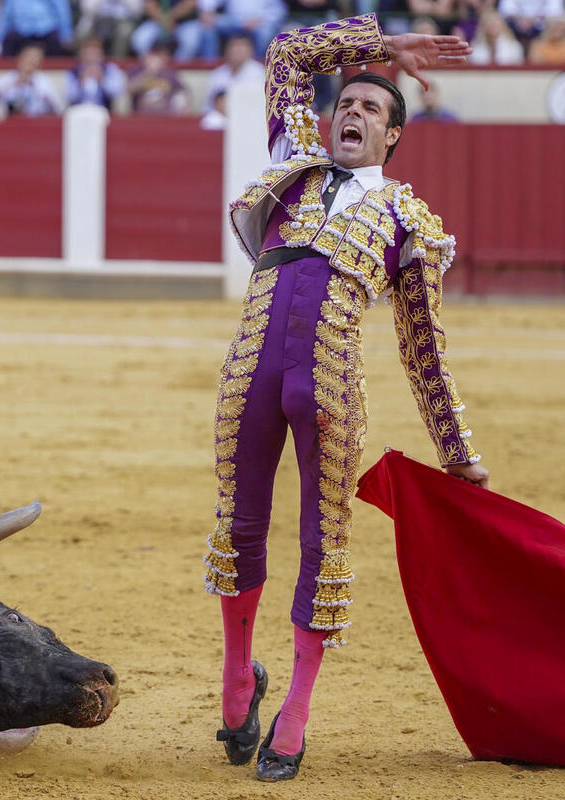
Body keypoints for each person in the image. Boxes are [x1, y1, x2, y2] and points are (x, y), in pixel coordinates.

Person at [203, 13, 485, 782]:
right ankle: (237, 678)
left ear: (392, 136)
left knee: (322, 545)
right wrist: (381, 49)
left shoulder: (406, 218)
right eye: (346, 105)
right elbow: (288, 52)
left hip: (328, 388)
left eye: (371, 109)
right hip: (250, 374)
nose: (352, 114)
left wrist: (457, 452)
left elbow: (422, 347)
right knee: (238, 524)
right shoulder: (292, 159)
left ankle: (295, 710)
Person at [0, 43, 64, 117]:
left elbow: (59, 108)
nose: (31, 60)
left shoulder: (43, 81)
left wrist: (36, 88)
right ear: (20, 58)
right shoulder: (9, 79)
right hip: (10, 122)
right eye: (29, 56)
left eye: (36, 57)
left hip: (37, 123)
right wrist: (11, 85)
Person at [204, 31, 264, 111]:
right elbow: (208, 105)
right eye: (234, 46)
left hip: (249, 117)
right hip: (220, 119)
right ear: (226, 50)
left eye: (242, 46)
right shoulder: (217, 74)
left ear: (250, 50)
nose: (238, 50)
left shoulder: (260, 73)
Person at [128, 37, 190, 114]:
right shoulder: (136, 71)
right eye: (153, 56)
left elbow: (182, 92)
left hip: (165, 117)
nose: (155, 60)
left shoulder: (170, 74)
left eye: (159, 57)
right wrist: (147, 73)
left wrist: (182, 104)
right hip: (141, 117)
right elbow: (129, 90)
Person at [0, 0, 75, 57]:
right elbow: (5, 14)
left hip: (46, 29)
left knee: (57, 43)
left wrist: (66, 35)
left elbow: (62, 11)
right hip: (21, 30)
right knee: (9, 41)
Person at [63, 35, 127, 109]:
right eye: (88, 54)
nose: (91, 58)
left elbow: (116, 92)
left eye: (95, 54)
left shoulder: (110, 69)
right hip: (79, 110)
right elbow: (69, 97)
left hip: (103, 109)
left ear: (101, 55)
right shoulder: (73, 72)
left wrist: (102, 79)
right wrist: (80, 81)